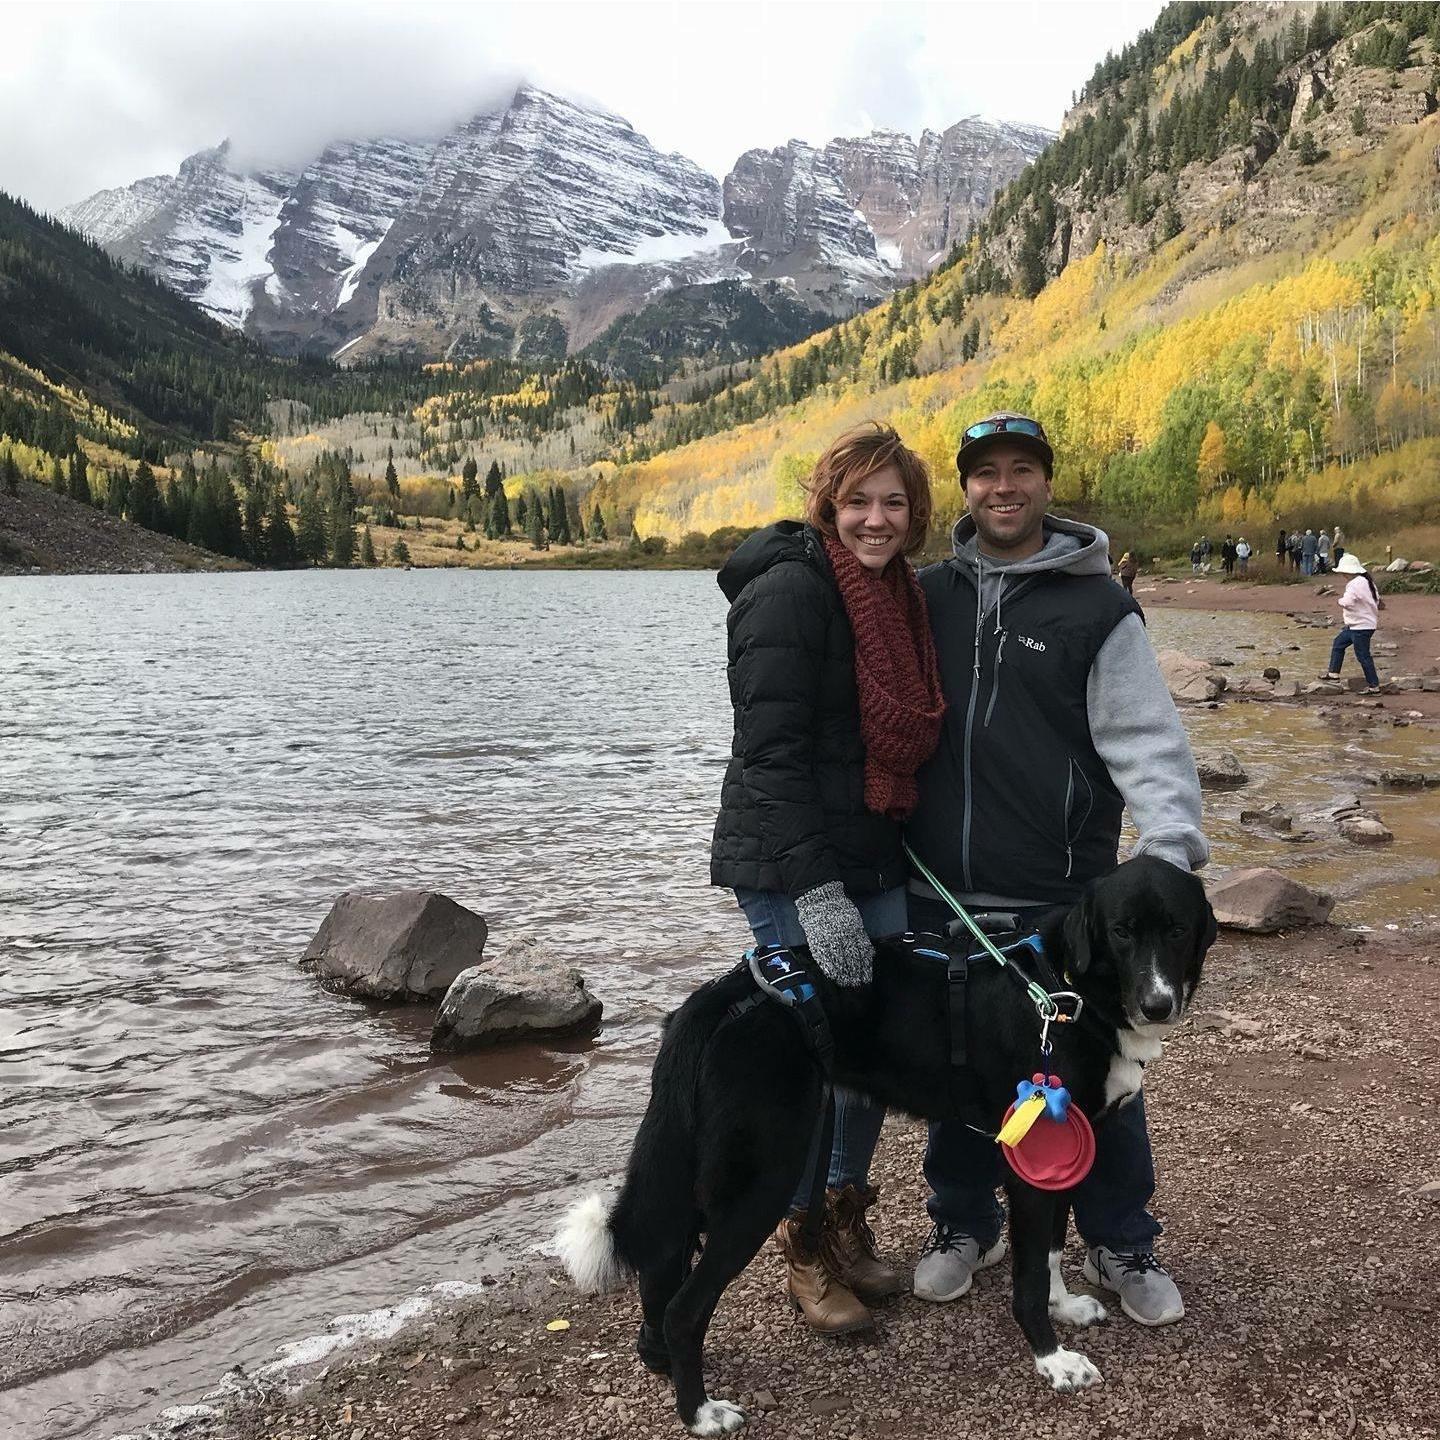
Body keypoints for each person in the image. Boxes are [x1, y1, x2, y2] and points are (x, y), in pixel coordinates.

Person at [905, 411, 1209, 1328]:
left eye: (1021, 470)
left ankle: (1120, 1240)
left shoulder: (1099, 609)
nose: (1004, 487)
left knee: (1101, 1082)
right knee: (961, 1078)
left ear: (1046, 482)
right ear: (965, 489)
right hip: (939, 889)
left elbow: (1149, 744)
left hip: (1059, 899)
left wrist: (1172, 858)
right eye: (985, 472)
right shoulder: (927, 596)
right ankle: (965, 1226)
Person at [710, 422, 945, 1335]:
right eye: (858, 501)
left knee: (873, 1052)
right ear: (827, 504)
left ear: (915, 513)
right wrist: (815, 892)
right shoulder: (791, 592)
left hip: (868, 849)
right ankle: (803, 1250)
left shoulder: (899, 597)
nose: (875, 519)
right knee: (815, 1058)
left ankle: (845, 1219)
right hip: (789, 862)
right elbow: (769, 759)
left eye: (893, 502)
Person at [1321, 552, 1384, 694]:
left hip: (1360, 626)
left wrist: (1340, 601)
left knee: (1363, 655)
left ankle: (1374, 686)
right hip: (1360, 625)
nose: (1342, 575)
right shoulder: (1367, 581)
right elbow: (1377, 600)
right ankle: (1333, 674)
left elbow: (1348, 602)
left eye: (1343, 572)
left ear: (1348, 572)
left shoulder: (1354, 584)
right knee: (1338, 643)